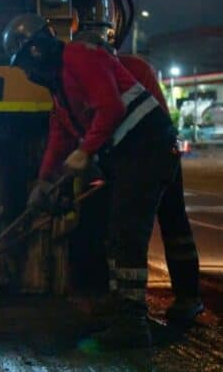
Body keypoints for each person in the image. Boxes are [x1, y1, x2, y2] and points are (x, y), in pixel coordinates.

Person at [2, 13, 178, 350]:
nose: (26, 72)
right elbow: (59, 134)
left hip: (147, 147)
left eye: (24, 64)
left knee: (127, 232)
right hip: (129, 154)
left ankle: (132, 324)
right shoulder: (59, 86)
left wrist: (85, 151)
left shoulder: (78, 56)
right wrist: (43, 181)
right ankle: (123, 310)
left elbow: (110, 108)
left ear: (36, 51)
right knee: (115, 231)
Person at [74, 31, 204, 324]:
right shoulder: (119, 69)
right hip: (141, 158)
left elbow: (138, 122)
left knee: (156, 225)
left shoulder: (132, 69)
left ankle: (182, 298)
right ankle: (174, 297)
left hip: (154, 156)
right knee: (159, 226)